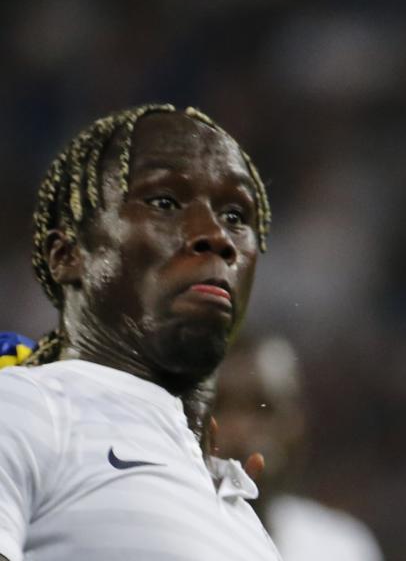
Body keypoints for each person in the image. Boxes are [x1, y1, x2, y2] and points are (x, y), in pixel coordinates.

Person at [0, 103, 280, 561]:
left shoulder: (243, 517)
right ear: (67, 255)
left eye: (235, 215)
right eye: (164, 202)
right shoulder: (26, 408)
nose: (216, 236)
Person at [212, 334, 384, 561]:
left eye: (264, 408)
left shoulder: (342, 547)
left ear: (298, 423)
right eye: (220, 407)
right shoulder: (168, 529)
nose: (240, 430)